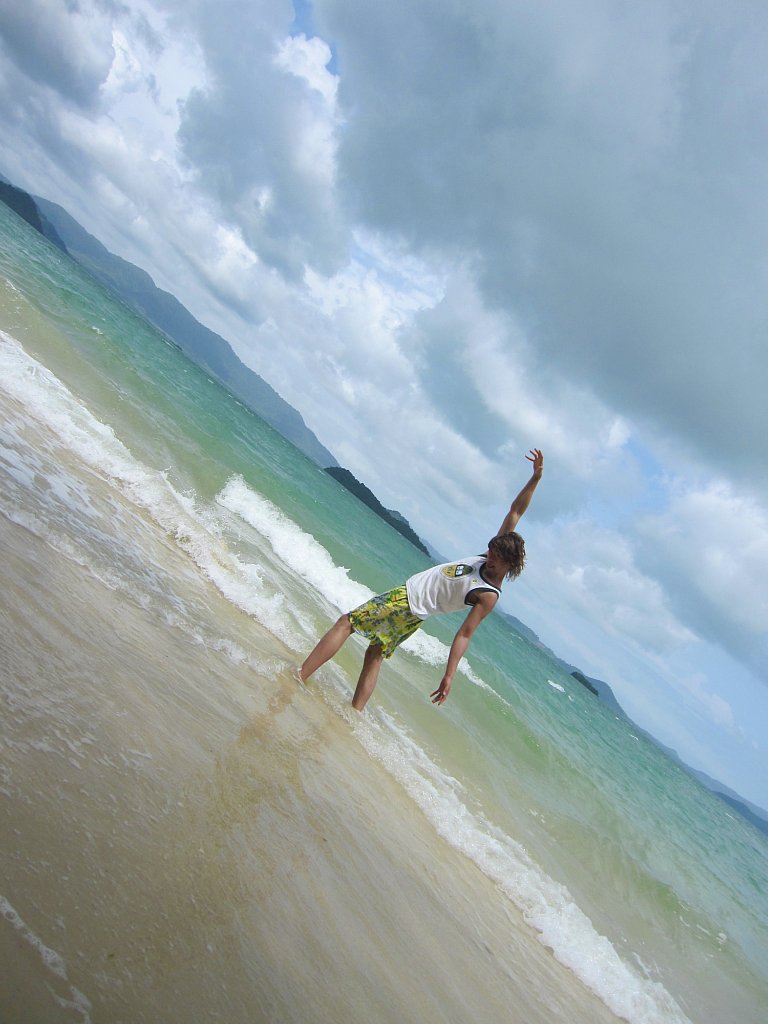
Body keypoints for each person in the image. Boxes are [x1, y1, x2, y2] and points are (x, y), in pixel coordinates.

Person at [300, 449, 544, 711]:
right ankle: (354, 713)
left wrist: (449, 675)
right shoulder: (490, 556)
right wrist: (535, 479)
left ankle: (299, 676)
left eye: (496, 558)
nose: (490, 558)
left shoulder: (488, 594)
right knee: (375, 653)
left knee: (347, 623)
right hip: (416, 614)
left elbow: (465, 634)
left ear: (509, 565)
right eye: (491, 551)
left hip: (407, 601)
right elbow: (515, 511)